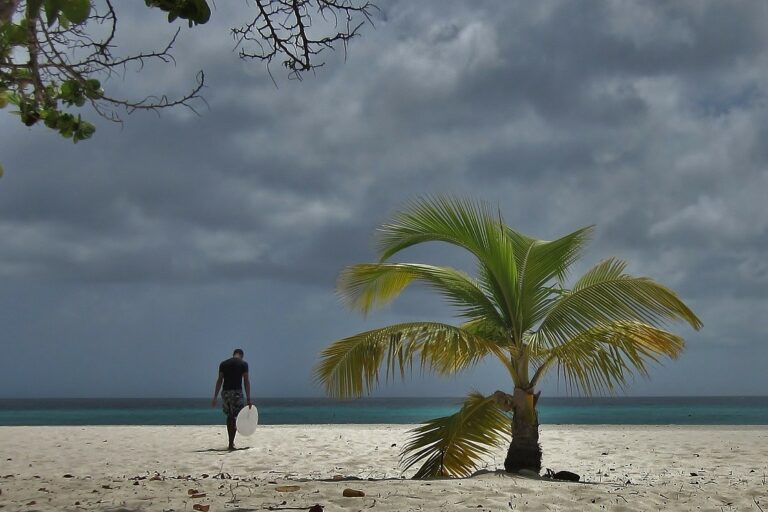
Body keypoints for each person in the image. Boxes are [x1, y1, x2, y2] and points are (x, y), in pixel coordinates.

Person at [211, 348, 252, 450]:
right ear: (241, 355)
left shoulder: (223, 364)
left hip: (225, 393)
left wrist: (215, 397)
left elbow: (219, 380)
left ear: (233, 354)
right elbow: (246, 381)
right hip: (237, 392)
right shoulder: (243, 364)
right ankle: (231, 443)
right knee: (236, 417)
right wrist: (249, 398)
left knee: (230, 416)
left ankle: (230, 442)